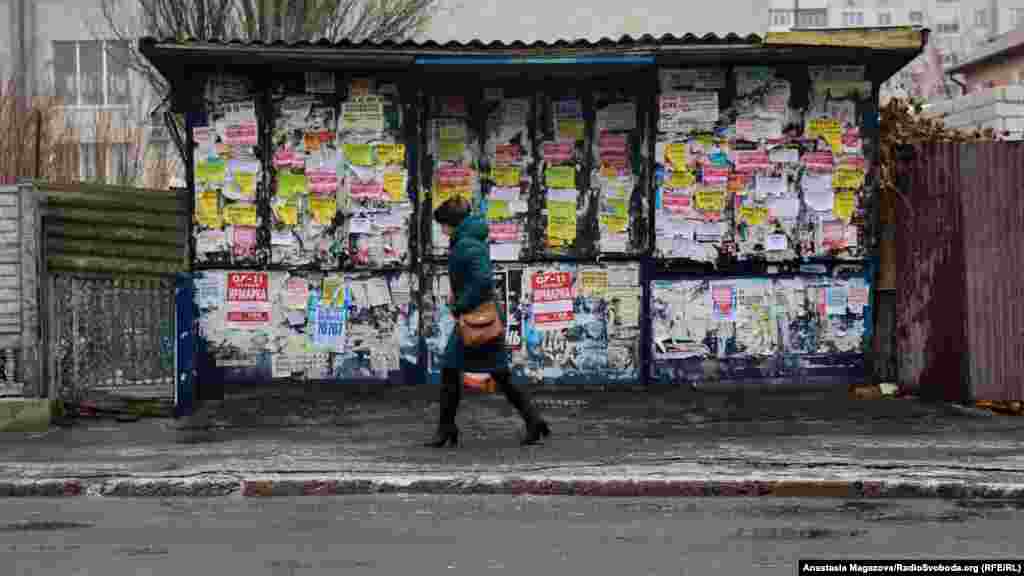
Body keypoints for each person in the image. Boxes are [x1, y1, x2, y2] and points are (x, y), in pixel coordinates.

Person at [427, 197, 550, 448]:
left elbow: (483, 280)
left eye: (443, 225)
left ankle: (447, 429)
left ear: (452, 223)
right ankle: (533, 420)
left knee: (459, 369)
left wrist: (460, 304)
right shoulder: (468, 240)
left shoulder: (467, 245)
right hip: (477, 317)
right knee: (489, 373)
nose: (442, 230)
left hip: (476, 319)